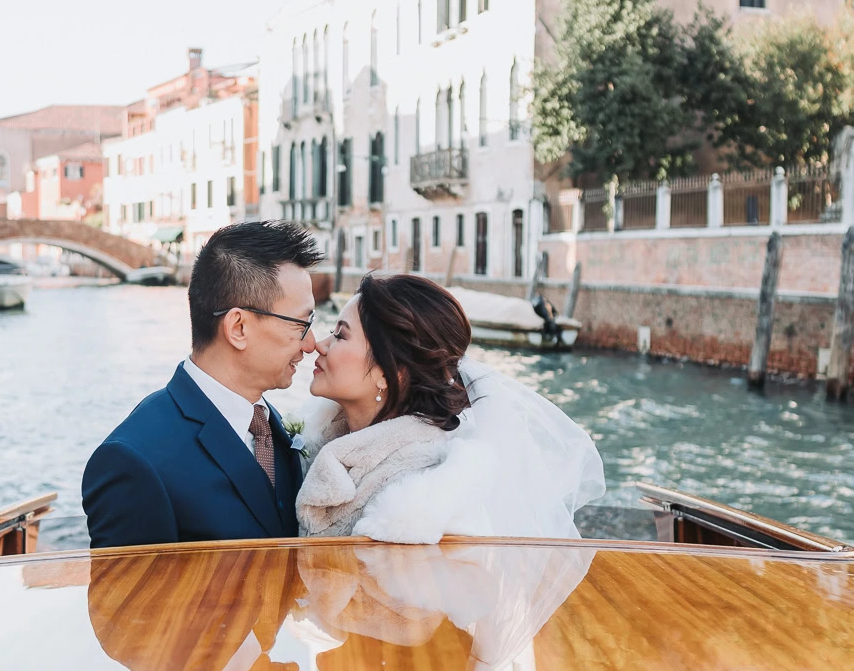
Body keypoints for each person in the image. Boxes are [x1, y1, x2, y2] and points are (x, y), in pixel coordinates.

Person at [295, 273, 604, 543]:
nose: (320, 344)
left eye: (340, 334)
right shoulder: (322, 439)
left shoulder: (418, 494)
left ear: (391, 372)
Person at [82, 221, 322, 548]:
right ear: (238, 327)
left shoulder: (269, 425)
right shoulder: (135, 462)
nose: (311, 344)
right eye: (301, 324)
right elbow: (126, 600)